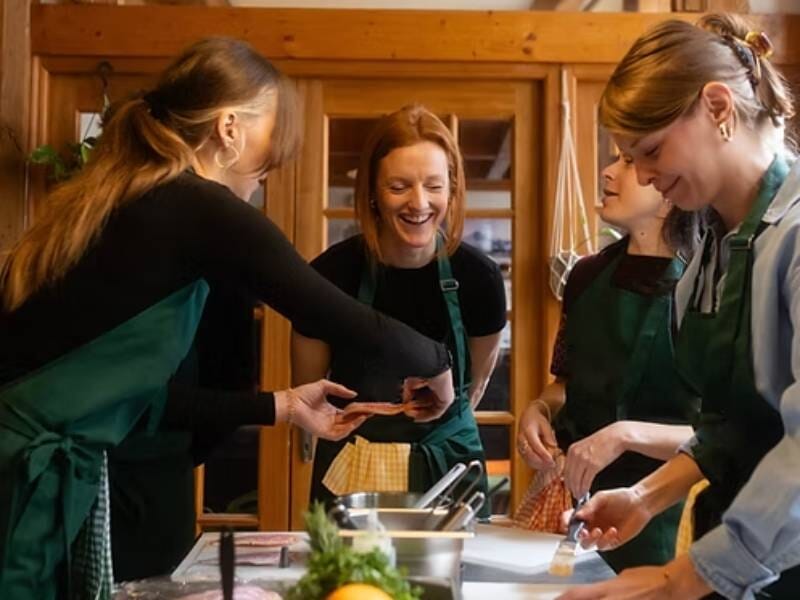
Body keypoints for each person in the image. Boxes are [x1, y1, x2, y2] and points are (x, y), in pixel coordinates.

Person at [0, 39, 456, 599]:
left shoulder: (122, 197)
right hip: (23, 484)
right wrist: (437, 363)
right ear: (230, 128)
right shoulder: (200, 207)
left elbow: (140, 396)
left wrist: (282, 405)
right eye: (271, 139)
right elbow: (333, 314)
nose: (268, 169)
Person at [556, 14, 799, 600]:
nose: (640, 174)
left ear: (718, 108)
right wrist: (647, 495)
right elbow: (733, 432)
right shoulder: (715, 250)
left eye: (651, 150)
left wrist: (676, 579)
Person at [292, 105, 506, 508]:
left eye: (434, 185)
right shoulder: (330, 274)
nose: (419, 203)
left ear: (453, 188)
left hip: (450, 473)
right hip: (352, 473)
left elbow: (472, 389)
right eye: (399, 186)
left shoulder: (481, 279)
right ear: (371, 190)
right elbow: (309, 394)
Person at [517, 151, 700, 571]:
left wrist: (624, 434)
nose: (607, 171)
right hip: (570, 511)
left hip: (666, 514)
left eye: (630, 162)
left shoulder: (709, 285)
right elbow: (564, 383)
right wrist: (539, 409)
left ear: (671, 187)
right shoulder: (583, 276)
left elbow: (724, 436)